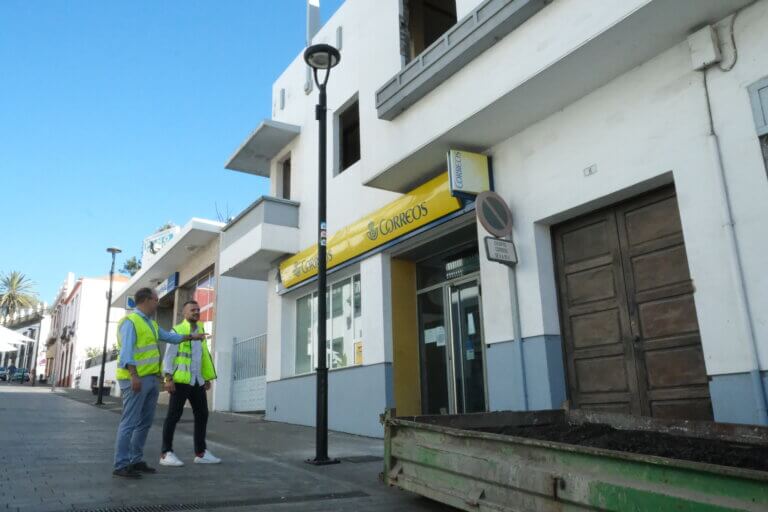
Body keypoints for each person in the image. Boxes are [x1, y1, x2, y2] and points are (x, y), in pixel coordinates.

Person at [112, 287, 208, 479]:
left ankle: (135, 460)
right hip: (135, 379)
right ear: (146, 300)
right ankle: (121, 464)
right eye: (156, 300)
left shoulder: (151, 324)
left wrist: (191, 336)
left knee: (145, 422)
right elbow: (127, 353)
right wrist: (134, 376)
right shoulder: (130, 322)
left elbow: (170, 337)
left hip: (150, 379)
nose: (157, 303)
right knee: (129, 423)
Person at [159, 300, 220, 466]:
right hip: (180, 381)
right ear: (184, 313)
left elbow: (203, 356)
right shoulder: (177, 330)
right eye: (193, 310)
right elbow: (169, 356)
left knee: (202, 414)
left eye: (198, 310)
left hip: (196, 380)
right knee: (173, 416)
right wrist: (168, 378)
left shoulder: (201, 330)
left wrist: (206, 377)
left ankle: (201, 453)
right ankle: (166, 453)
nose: (196, 312)